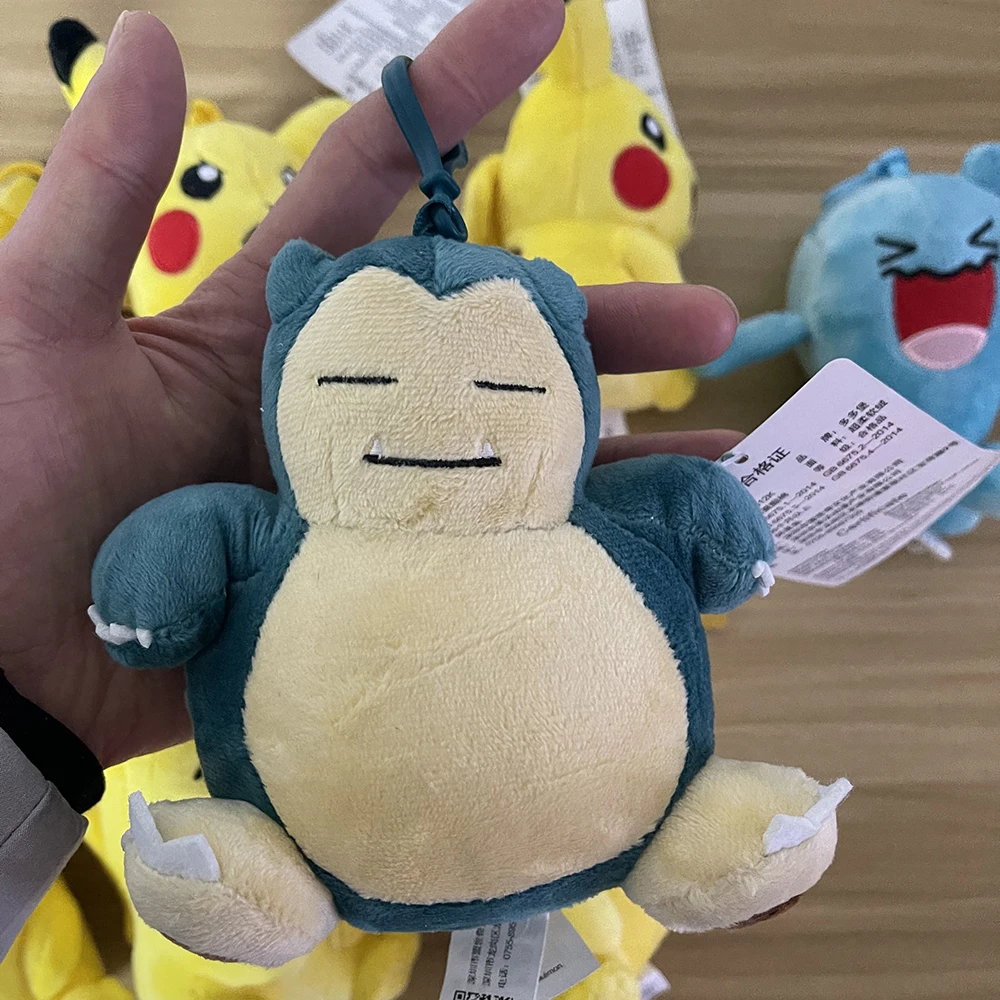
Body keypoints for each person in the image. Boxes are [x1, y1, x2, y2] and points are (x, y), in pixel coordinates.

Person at [0, 0, 742, 957]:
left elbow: (688, 504)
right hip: (328, 836)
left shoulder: (568, 514)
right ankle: (277, 888)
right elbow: (180, 546)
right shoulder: (268, 527)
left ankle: (686, 840)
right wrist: (106, 628)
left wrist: (721, 531)